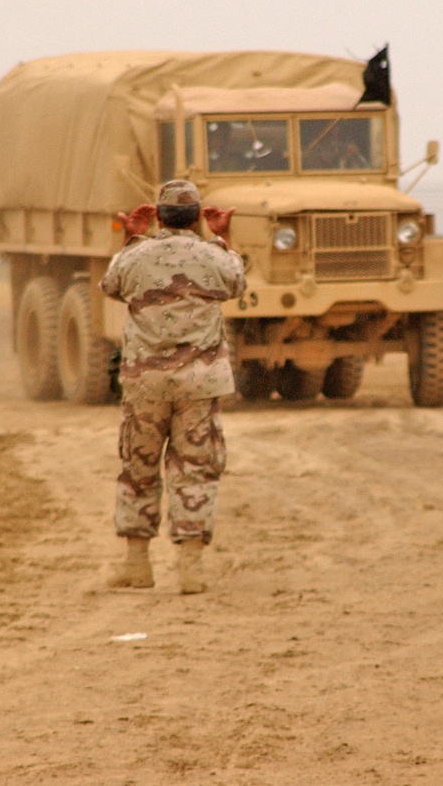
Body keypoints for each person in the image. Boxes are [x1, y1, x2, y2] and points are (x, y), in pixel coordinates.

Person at [100, 180, 246, 594]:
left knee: (138, 470)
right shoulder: (211, 256)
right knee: (195, 470)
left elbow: (112, 286)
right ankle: (190, 570)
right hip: (199, 387)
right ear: (198, 215)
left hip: (145, 386)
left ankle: (137, 565)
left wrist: (132, 237)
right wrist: (222, 237)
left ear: (159, 215)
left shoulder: (138, 255)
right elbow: (236, 283)